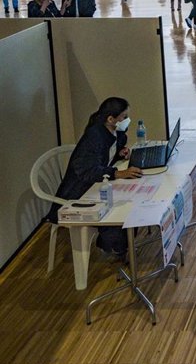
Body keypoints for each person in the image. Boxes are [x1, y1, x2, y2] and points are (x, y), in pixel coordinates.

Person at [46, 97, 143, 258]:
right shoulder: (94, 136)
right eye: (124, 117)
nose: (127, 121)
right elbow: (87, 171)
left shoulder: (116, 133)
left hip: (98, 185)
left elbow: (106, 155)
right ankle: (113, 246)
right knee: (118, 208)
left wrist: (120, 152)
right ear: (110, 119)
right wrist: (118, 173)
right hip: (80, 192)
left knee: (130, 200)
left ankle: (120, 246)